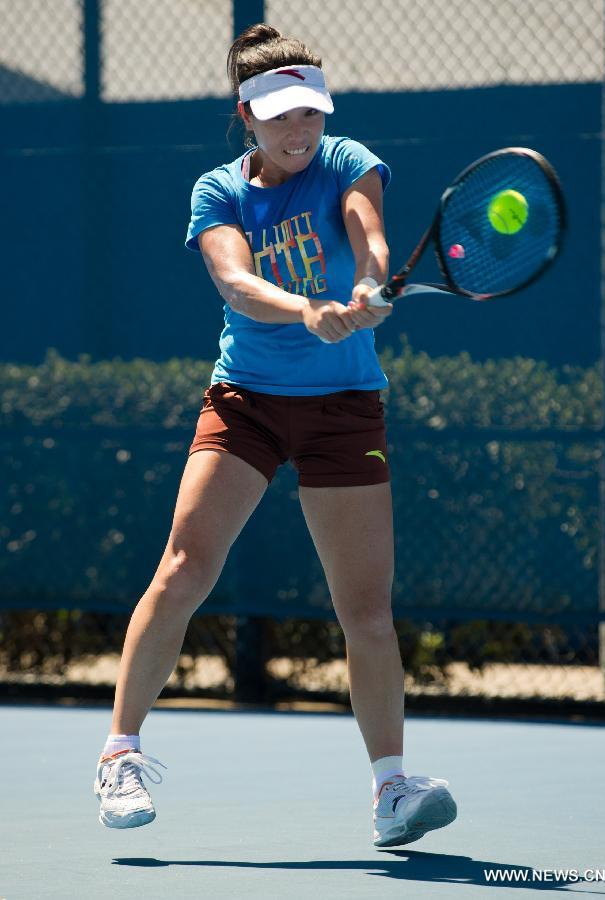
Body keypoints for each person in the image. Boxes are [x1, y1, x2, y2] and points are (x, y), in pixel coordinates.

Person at [93, 23, 457, 849]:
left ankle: (392, 790)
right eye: (283, 116)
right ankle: (120, 754)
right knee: (184, 568)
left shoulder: (345, 159)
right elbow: (233, 278)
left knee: (365, 610)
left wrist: (366, 281)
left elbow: (370, 231)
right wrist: (306, 310)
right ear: (247, 115)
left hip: (345, 408)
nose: (301, 132)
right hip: (246, 401)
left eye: (311, 115)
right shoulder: (217, 192)